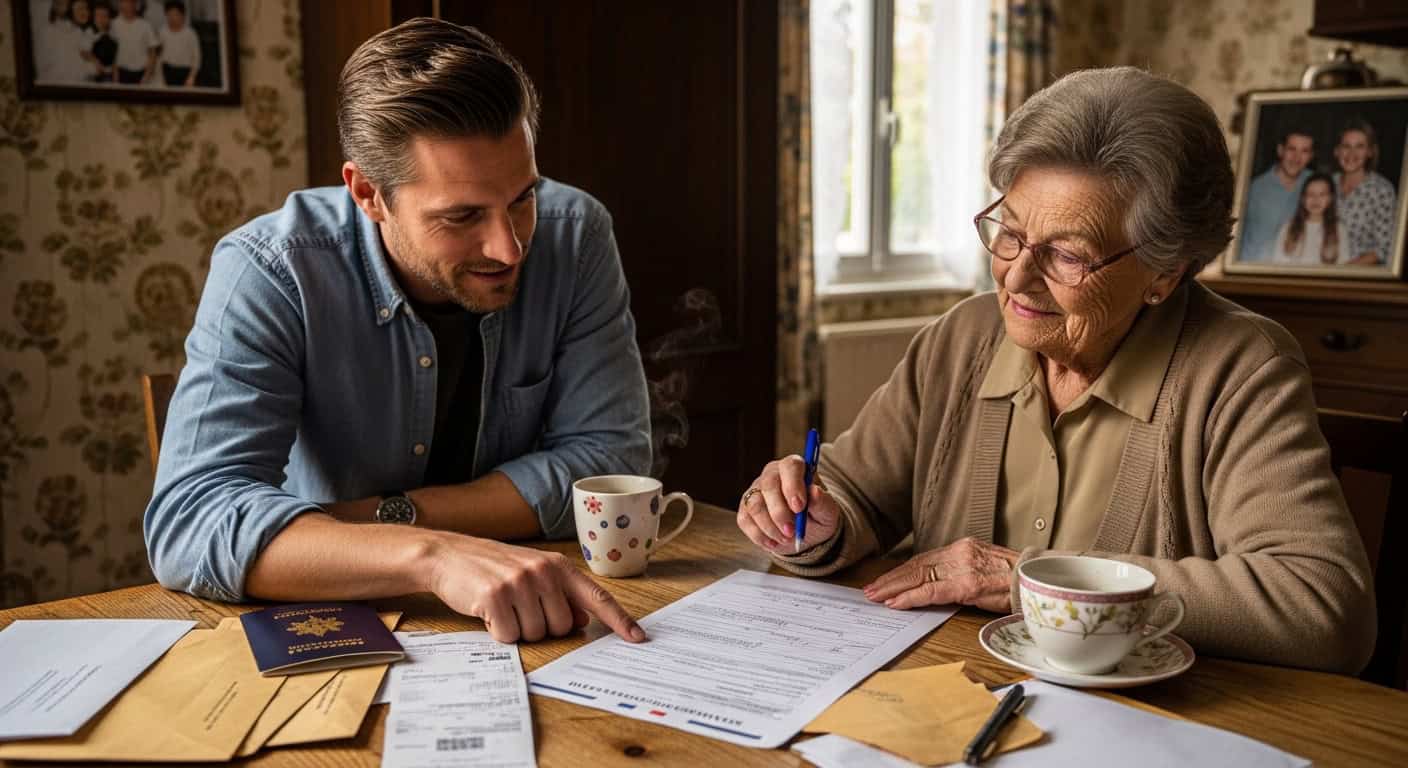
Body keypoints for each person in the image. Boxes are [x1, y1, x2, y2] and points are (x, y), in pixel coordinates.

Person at [737, 67, 1375, 675]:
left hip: (1153, 720)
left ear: (1166, 271)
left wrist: (1031, 580)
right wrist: (810, 518)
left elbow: (1322, 605)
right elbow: (853, 493)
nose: (1016, 276)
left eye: (1068, 254)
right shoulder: (962, 338)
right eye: (1009, 232)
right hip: (945, 692)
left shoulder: (1242, 369)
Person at [145, 19, 652, 646]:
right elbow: (190, 521)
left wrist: (376, 518)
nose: (510, 247)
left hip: (534, 613)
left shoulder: (576, 235)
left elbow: (609, 463)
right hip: (328, 627)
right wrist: (432, 556)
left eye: (523, 197)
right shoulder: (272, 270)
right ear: (367, 193)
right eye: (462, 216)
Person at [1239, 124, 1314, 263]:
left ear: (1310, 156)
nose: (1296, 158)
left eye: (1304, 151)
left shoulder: (1317, 185)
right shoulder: (1254, 189)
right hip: (1257, 267)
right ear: (1280, 150)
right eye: (1292, 149)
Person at [1332, 119, 1397, 266]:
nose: (1351, 153)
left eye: (1360, 146)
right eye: (1346, 146)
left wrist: (1343, 271)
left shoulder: (1382, 190)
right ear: (1337, 151)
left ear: (1370, 152)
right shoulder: (1327, 184)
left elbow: (1383, 249)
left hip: (1361, 273)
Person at [1272, 173, 1349, 265]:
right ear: (1303, 198)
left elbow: (1343, 265)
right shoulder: (1288, 227)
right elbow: (1278, 263)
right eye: (1310, 194)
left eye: (1322, 194)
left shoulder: (1339, 229)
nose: (1315, 199)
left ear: (1330, 198)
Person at [109, 0, 157, 84]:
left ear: (136, 4)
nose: (128, 5)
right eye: (125, 2)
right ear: (120, 4)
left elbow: (153, 52)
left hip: (142, 73)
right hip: (120, 72)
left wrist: (147, 75)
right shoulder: (113, 24)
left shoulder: (146, 25)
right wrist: (115, 73)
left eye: (131, 2)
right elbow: (112, 52)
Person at [156, 0, 198, 87]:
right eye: (169, 15)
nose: (172, 18)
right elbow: (159, 56)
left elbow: (196, 57)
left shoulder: (190, 34)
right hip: (167, 70)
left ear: (182, 15)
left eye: (175, 14)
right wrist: (161, 77)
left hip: (185, 71)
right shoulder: (162, 32)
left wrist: (191, 77)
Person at [88, 1, 117, 82]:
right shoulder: (89, 33)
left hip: (111, 73)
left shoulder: (114, 35)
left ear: (110, 19)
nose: (101, 19)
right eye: (98, 16)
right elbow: (84, 51)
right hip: (94, 73)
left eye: (104, 16)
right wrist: (96, 63)